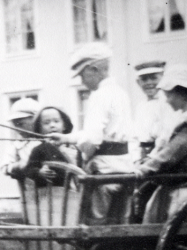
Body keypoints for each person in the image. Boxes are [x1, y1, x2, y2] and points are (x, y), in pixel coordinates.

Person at [47, 43, 134, 222]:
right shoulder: (120, 93)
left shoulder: (99, 96)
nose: (82, 81)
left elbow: (92, 140)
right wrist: (66, 138)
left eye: (82, 75)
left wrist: (85, 158)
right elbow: (107, 134)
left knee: (95, 223)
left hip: (102, 172)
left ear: (94, 69)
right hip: (124, 170)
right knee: (121, 223)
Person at [132, 63, 187, 223]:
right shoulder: (184, 120)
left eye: (169, 95)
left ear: (184, 94)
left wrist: (145, 169)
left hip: (184, 190)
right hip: (172, 186)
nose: (167, 101)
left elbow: (171, 153)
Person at [23, 106, 79, 187]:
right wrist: (39, 172)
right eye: (46, 123)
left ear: (65, 126)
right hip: (53, 191)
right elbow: (28, 169)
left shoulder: (74, 148)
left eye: (56, 121)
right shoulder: (40, 149)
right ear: (40, 129)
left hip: (76, 188)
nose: (52, 125)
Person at [131, 60, 175, 159]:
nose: (149, 83)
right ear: (138, 82)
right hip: (144, 156)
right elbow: (135, 137)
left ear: (163, 79)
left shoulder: (167, 103)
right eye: (144, 79)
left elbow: (165, 136)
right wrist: (136, 159)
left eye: (154, 78)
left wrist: (152, 158)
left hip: (161, 155)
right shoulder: (140, 106)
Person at [0, 97, 40, 179]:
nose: (17, 129)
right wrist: (17, 166)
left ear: (36, 120)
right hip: (31, 185)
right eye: (15, 125)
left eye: (21, 124)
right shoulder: (18, 145)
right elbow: (4, 167)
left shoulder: (50, 139)